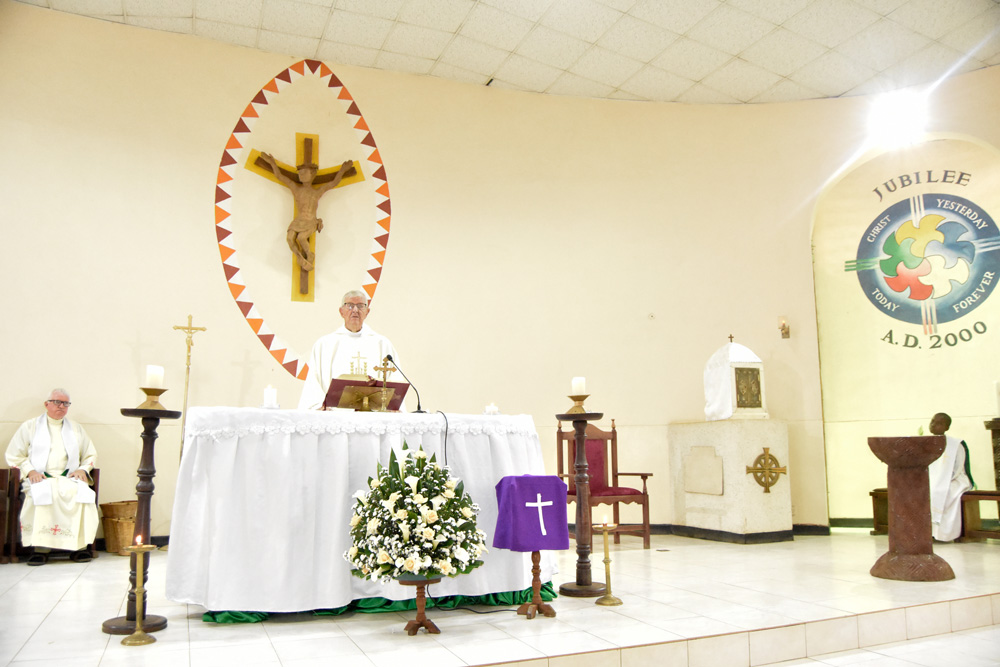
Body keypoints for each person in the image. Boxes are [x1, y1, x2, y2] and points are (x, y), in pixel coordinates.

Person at [5, 388, 99, 565]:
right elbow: (15, 455)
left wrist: (83, 469)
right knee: (41, 494)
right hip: (40, 477)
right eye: (57, 402)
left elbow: (90, 454)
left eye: (65, 403)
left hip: (68, 477)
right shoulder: (30, 426)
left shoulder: (76, 429)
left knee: (80, 494)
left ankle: (77, 547)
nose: (61, 406)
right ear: (46, 404)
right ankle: (40, 549)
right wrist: (30, 471)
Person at [298, 290, 401, 410]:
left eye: (361, 306)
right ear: (341, 311)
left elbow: (395, 379)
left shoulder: (383, 345)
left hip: (374, 416)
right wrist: (318, 405)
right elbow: (313, 382)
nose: (355, 310)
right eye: (350, 306)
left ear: (367, 312)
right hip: (335, 416)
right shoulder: (324, 345)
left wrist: (393, 407)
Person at [259, 153, 355, 272]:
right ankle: (299, 255)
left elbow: (334, 183)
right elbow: (280, 176)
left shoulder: (317, 192)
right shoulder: (296, 189)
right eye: (300, 173)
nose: (301, 175)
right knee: (289, 238)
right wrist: (272, 162)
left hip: (310, 221)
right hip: (298, 220)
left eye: (304, 173)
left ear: (313, 174)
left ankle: (309, 254)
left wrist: (343, 170)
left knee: (301, 238)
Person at [926, 412, 974, 542]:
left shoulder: (955, 444)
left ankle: (944, 534)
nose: (934, 425)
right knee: (922, 491)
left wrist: (942, 481)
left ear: (947, 427)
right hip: (933, 480)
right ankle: (926, 534)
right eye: (932, 421)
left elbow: (959, 468)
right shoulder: (924, 443)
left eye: (939, 423)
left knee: (941, 491)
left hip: (955, 479)